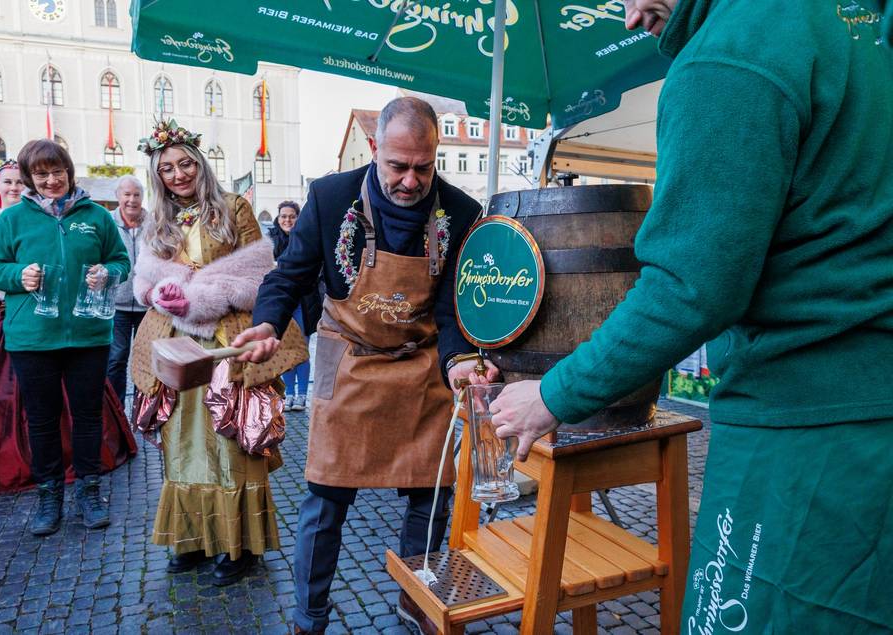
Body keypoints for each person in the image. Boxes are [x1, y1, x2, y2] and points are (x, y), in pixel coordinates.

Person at [490, 1, 893, 631]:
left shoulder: (727, 53)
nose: (628, 17)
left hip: (801, 429)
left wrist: (552, 393)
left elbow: (689, 288)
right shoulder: (851, 22)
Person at [233, 97, 498, 635]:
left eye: (423, 167)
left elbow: (451, 309)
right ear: (375, 150)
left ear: (435, 154)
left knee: (432, 493)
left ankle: (414, 599)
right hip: (347, 356)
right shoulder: (331, 197)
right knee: (326, 497)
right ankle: (309, 616)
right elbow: (290, 275)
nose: (409, 180)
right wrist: (268, 323)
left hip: (421, 363)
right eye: (397, 166)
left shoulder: (463, 212)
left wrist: (458, 364)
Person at [128, 119, 281, 587]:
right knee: (182, 444)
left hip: (226, 343)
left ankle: (239, 547)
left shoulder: (234, 208)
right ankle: (193, 538)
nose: (178, 174)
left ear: (200, 164)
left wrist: (206, 295)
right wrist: (160, 296)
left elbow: (262, 275)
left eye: (185, 163)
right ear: (157, 176)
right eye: (168, 168)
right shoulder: (158, 221)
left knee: (229, 441)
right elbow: (144, 282)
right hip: (176, 344)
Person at [0, 139, 131, 535]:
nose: (51, 180)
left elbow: (121, 261)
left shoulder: (96, 216)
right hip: (33, 338)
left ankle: (89, 490)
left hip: (88, 334)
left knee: (86, 417)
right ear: (30, 178)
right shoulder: (12, 220)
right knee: (43, 421)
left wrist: (108, 273)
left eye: (57, 171)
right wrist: (18, 277)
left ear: (69, 171)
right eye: (41, 174)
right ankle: (49, 495)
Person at [267, 200, 322, 411]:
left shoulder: (307, 238)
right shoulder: (271, 241)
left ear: (298, 218)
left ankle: (300, 396)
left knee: (302, 349)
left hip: (304, 302)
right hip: (282, 303)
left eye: (292, 216)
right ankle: (288, 394)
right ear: (278, 218)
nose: (287, 220)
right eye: (283, 216)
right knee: (284, 349)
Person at [107, 175, 148, 403]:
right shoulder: (107, 222)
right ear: (117, 196)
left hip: (147, 305)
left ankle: (145, 412)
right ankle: (116, 410)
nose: (132, 200)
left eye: (136, 195)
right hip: (117, 305)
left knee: (146, 360)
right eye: (127, 194)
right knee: (116, 358)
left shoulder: (153, 223)